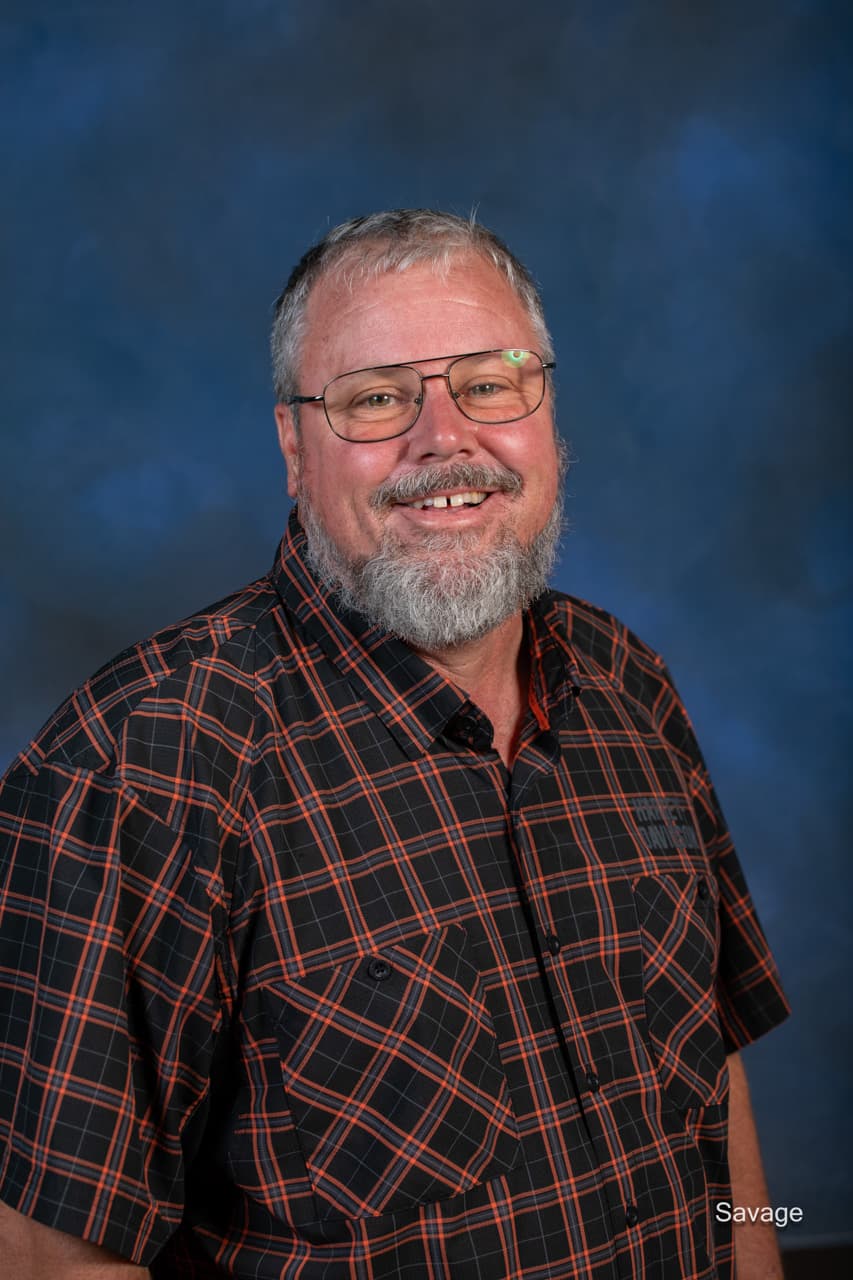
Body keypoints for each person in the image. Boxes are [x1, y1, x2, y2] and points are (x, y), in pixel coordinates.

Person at [0, 210, 789, 1279]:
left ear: (546, 415)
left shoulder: (628, 685)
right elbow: (50, 1251)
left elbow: (715, 1075)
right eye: (376, 398)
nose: (444, 437)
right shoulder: (139, 763)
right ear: (293, 446)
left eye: (491, 381)